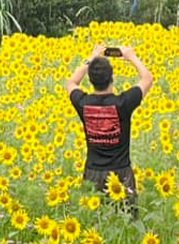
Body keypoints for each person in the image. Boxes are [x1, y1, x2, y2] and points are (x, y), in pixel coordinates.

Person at [65, 44, 153, 218]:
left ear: (90, 79)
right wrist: (131, 56)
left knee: (94, 224)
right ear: (112, 77)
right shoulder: (123, 103)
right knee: (127, 225)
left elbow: (71, 82)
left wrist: (91, 57)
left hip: (92, 173)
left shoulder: (83, 103)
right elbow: (147, 79)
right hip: (121, 173)